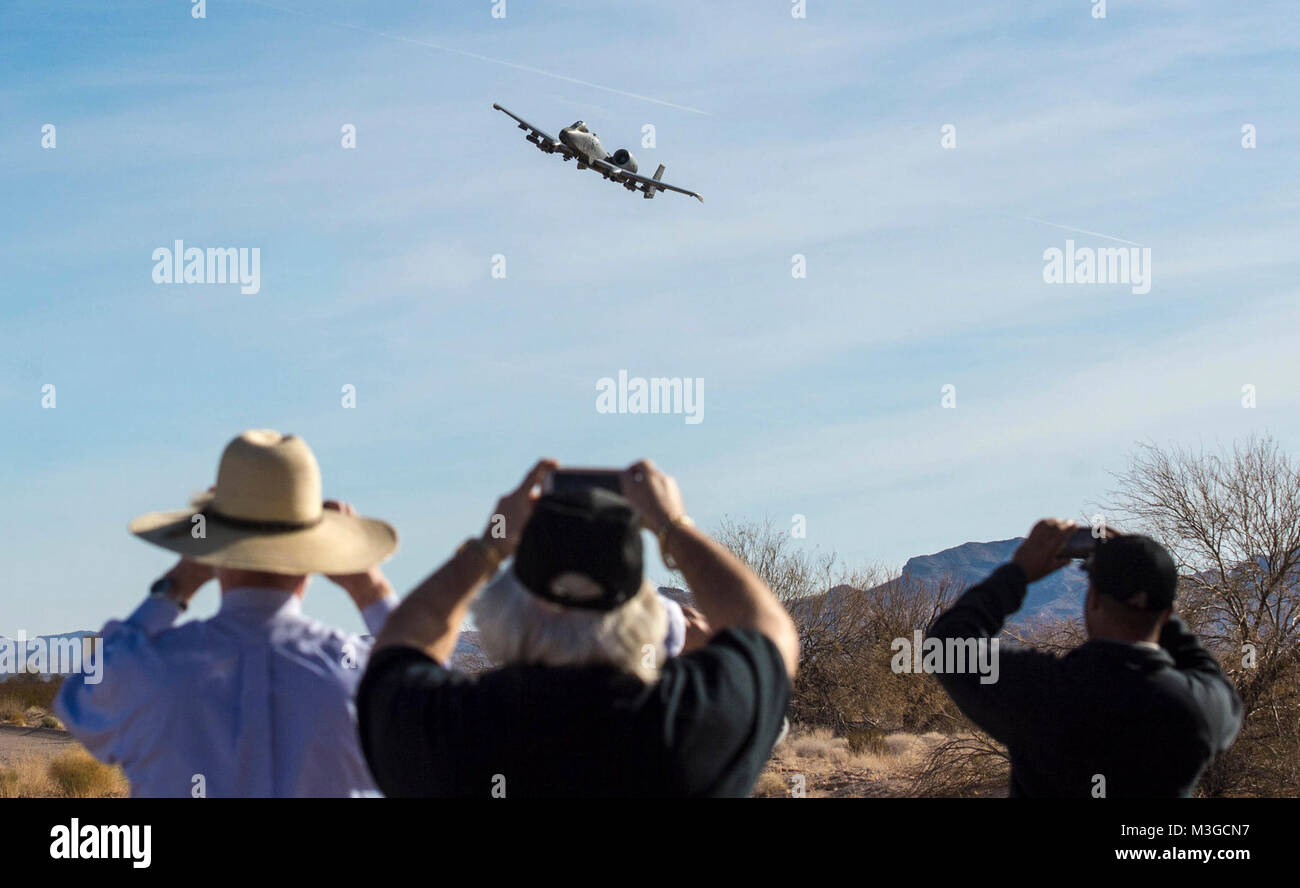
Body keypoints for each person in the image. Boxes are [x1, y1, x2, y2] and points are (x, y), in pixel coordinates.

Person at [357, 459, 798, 798]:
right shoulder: (692, 727)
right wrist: (672, 526)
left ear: (508, 610)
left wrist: (490, 546)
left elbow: (402, 642)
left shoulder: (447, 733)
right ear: (645, 616)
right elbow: (770, 630)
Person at [55, 430, 400, 797]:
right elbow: (441, 721)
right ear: (314, 557)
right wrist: (369, 588)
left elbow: (80, 699)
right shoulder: (361, 677)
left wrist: (179, 581)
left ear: (214, 551)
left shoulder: (152, 671)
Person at [926, 518, 1242, 797]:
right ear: (1168, 613)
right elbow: (1211, 676)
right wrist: (1151, 590)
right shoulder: (1202, 708)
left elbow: (947, 647)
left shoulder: (1043, 693)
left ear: (1092, 600)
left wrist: (1018, 572)